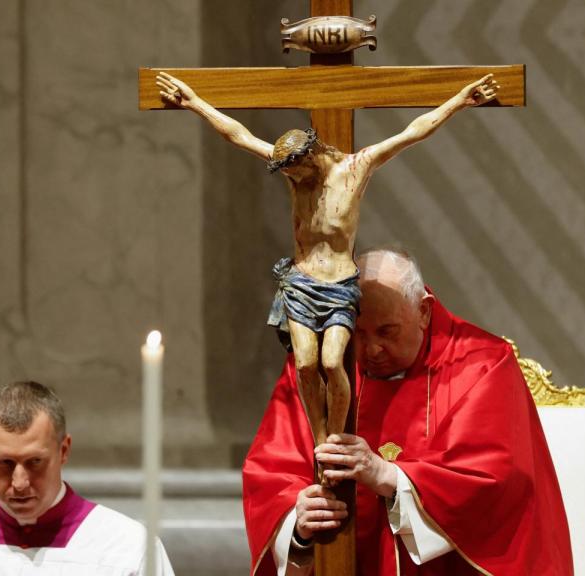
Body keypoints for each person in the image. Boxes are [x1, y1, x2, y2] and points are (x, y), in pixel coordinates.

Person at [155, 71, 499, 450]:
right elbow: (238, 135)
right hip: (301, 282)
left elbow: (413, 132)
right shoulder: (293, 174)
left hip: (338, 286)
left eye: (295, 171)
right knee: (305, 365)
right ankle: (320, 438)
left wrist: (460, 101)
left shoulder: (355, 168)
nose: (291, 179)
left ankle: (336, 436)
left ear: (312, 157)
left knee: (333, 363)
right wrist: (194, 104)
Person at [242, 248, 573, 575]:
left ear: (424, 312)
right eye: (358, 332)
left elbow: (494, 481)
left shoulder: (482, 365)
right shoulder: (319, 372)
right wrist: (298, 523)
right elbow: (271, 472)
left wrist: (388, 476)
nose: (372, 349)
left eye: (387, 331)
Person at [0, 381, 175, 575]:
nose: (19, 482)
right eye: (5, 463)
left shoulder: (128, 548)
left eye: (34, 462)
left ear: (63, 450)